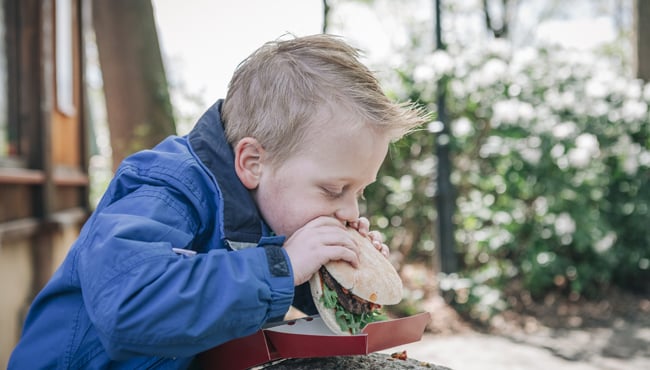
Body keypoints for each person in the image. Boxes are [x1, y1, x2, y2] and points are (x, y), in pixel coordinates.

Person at [9, 33, 427, 369]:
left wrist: (330, 283)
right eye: (335, 190)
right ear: (252, 161)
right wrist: (283, 267)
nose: (351, 210)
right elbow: (128, 310)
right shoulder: (163, 190)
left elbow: (223, 295)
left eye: (360, 191)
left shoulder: (263, 205)